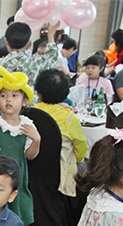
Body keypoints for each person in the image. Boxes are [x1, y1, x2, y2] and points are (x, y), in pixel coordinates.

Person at [0, 72, 40, 226]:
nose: (9, 100)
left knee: (20, 210)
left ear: (24, 101)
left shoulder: (27, 126)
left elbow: (30, 156)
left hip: (18, 176)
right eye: (4, 96)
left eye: (15, 96)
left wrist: (36, 140)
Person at [0, 21, 61, 115]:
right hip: (29, 117)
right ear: (28, 42)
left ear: (6, 40)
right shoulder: (36, 62)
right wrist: (50, 35)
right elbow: (53, 56)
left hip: (2, 119)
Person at [33, 69, 88, 197]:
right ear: (65, 94)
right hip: (60, 176)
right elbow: (81, 151)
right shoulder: (70, 119)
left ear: (38, 93)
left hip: (33, 173)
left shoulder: (29, 113)